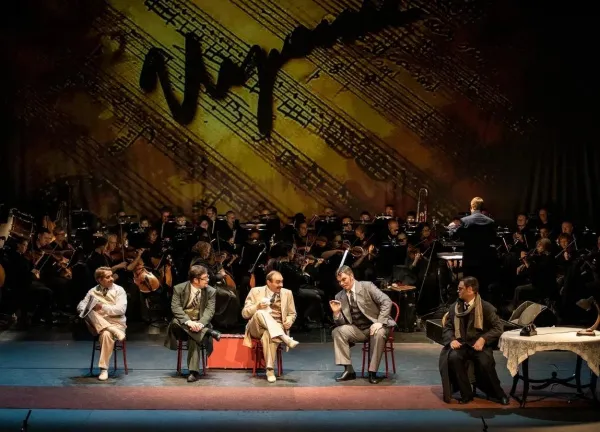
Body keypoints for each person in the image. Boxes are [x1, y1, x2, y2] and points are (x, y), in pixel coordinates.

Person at [439, 276, 508, 405]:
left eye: (460, 289)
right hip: (462, 344)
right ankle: (466, 394)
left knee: (485, 362)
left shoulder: (486, 307)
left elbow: (499, 327)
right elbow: (447, 328)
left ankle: (499, 394)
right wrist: (452, 340)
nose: (458, 291)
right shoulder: (455, 307)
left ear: (470, 290)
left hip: (479, 345)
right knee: (453, 357)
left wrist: (483, 339)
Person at [330, 265, 396, 384]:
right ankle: (349, 370)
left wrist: (380, 322)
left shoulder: (367, 286)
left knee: (378, 333)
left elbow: (386, 301)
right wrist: (336, 313)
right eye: (339, 281)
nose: (342, 283)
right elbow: (342, 324)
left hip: (377, 325)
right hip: (358, 329)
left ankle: (372, 372)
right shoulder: (339, 296)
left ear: (351, 276)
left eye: (344, 279)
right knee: (337, 332)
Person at [165, 265, 221, 383]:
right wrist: (189, 322)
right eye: (205, 278)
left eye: (207, 277)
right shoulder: (179, 289)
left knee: (194, 336)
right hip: (181, 327)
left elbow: (210, 311)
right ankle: (208, 332)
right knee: (175, 321)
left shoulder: (211, 291)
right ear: (195, 280)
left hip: (198, 326)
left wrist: (200, 324)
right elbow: (175, 308)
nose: (208, 280)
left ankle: (193, 372)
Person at [242, 270, 298, 383]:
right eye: (277, 282)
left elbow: (292, 313)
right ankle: (285, 338)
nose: (281, 285)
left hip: (277, 326)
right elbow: (245, 313)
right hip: (256, 327)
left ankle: (270, 370)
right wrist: (257, 306)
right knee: (260, 313)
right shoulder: (255, 291)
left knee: (269, 334)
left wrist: (289, 320)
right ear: (268, 282)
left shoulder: (287, 293)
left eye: (282, 282)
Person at [76, 266, 127, 381]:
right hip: (97, 325)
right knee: (86, 312)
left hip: (117, 323)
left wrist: (102, 307)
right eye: (108, 277)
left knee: (106, 334)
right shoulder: (92, 291)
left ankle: (104, 369)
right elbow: (80, 306)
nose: (112, 278)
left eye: (111, 276)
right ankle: (111, 329)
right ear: (99, 279)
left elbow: (121, 310)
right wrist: (89, 307)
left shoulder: (119, 290)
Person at [448, 197, 497, 300]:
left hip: (470, 260)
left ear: (471, 207)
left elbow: (456, 236)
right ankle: (482, 307)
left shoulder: (465, 220)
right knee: (482, 288)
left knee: (469, 286)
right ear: (482, 207)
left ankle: (469, 306)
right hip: (485, 260)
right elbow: (494, 239)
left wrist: (451, 230)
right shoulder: (490, 222)